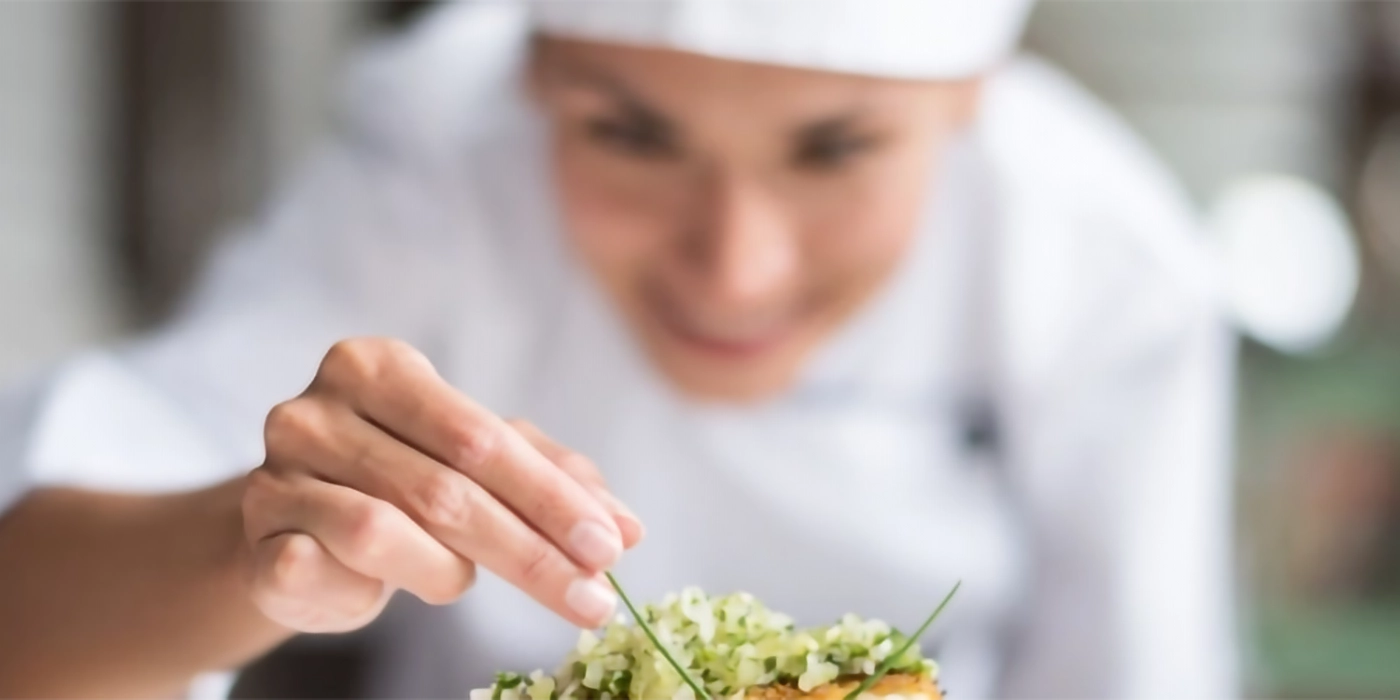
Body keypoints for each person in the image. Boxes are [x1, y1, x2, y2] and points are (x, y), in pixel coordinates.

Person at [0, 0, 1240, 698]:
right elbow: (29, 609)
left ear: (970, 99)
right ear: (533, 76)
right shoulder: (435, 161)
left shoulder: (1099, 259)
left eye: (834, 150)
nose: (734, 268)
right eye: (629, 136)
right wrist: (247, 544)